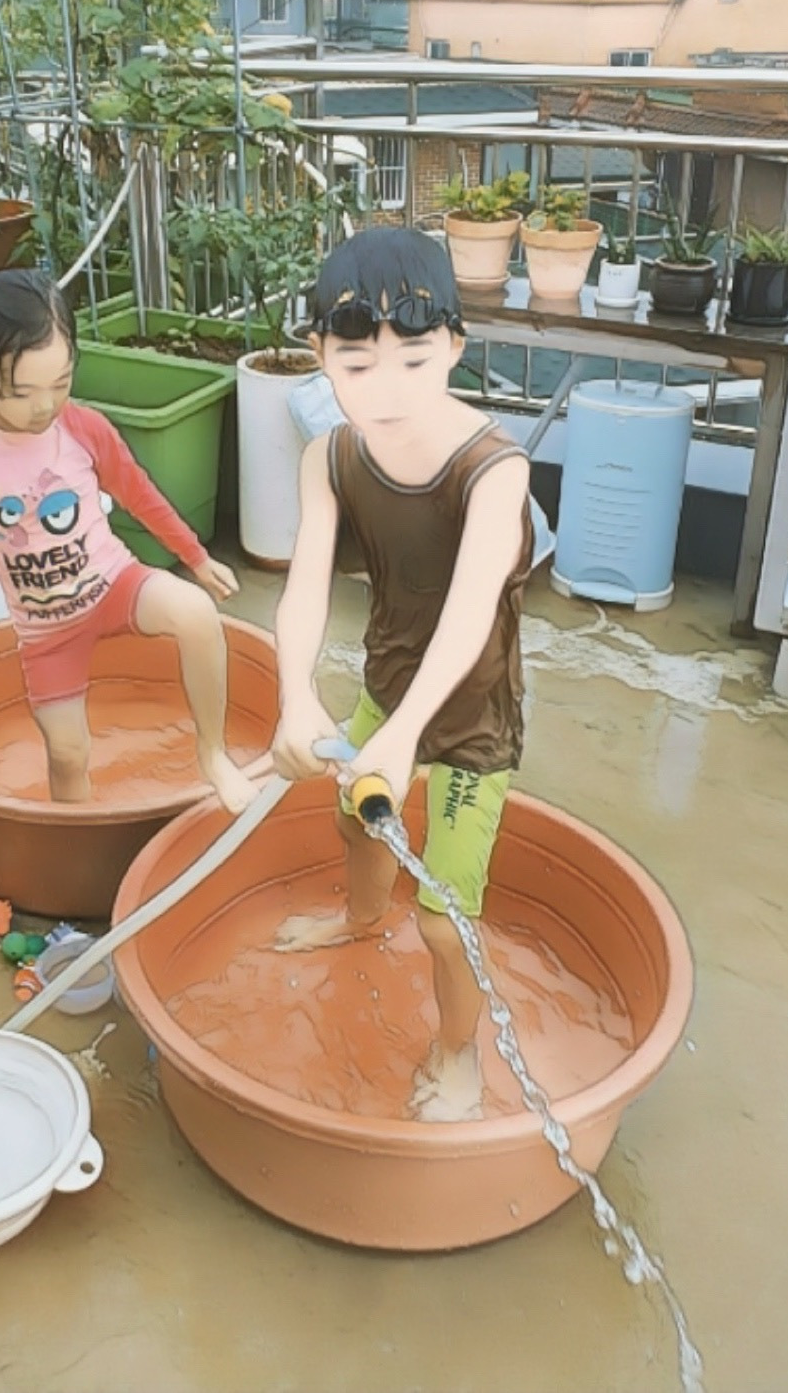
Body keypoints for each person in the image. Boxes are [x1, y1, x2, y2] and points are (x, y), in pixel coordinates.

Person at [270, 227, 533, 1122]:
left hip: (469, 724)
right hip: (387, 688)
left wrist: (405, 733)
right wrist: (294, 693)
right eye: (356, 363)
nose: (384, 389)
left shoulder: (492, 468)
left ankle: (458, 1051)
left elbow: (469, 611)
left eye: (413, 361)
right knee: (354, 819)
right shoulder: (330, 458)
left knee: (441, 920)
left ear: (454, 347)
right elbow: (305, 584)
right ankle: (357, 918)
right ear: (320, 355)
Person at [0, 268, 256, 815]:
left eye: (61, 383)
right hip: (45, 631)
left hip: (114, 585)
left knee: (196, 614)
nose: (45, 406)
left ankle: (213, 754)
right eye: (22, 392)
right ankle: (76, 835)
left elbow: (138, 493)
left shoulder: (85, 429)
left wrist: (195, 557)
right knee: (67, 752)